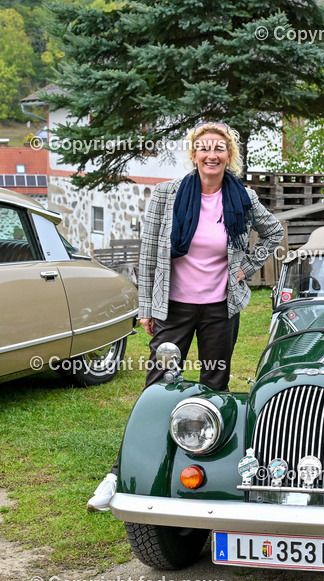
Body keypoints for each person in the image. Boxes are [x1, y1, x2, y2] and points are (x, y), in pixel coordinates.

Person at [87, 122, 284, 511]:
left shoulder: (241, 196)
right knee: (158, 389)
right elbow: (147, 255)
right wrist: (146, 307)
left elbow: (274, 232)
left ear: (230, 155)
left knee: (215, 387)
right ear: (193, 154)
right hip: (173, 308)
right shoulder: (167, 195)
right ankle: (118, 474)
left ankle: (210, 475)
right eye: (204, 148)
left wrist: (246, 265)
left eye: (220, 148)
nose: (212, 155)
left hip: (219, 310)